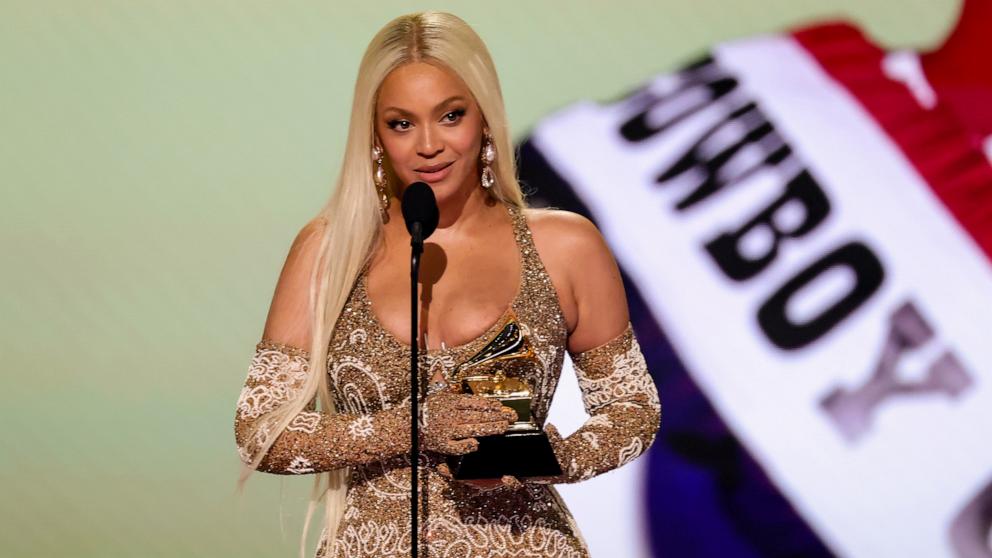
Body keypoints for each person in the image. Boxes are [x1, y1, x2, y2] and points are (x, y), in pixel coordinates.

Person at [233, 11, 661, 558]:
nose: (428, 144)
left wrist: (546, 457)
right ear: (374, 135)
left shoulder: (565, 245)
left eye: (451, 115)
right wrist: (407, 428)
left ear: (484, 118)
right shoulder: (328, 250)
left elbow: (632, 407)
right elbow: (261, 429)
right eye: (401, 123)